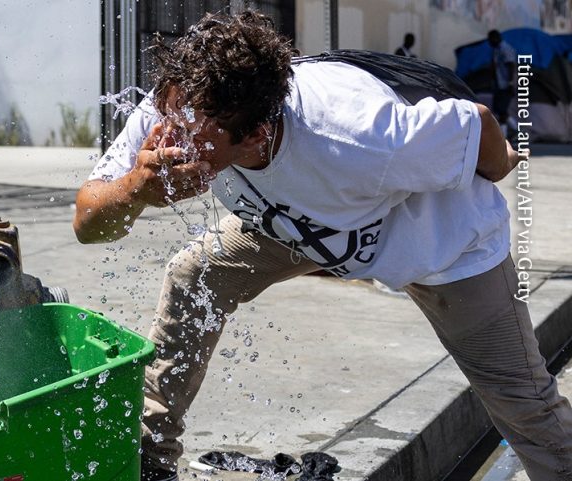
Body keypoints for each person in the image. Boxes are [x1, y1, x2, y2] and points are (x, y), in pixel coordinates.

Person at [74, 12, 571, 481]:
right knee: (195, 274)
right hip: (295, 225)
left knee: (524, 405)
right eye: (169, 116)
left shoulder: (357, 135)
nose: (170, 139)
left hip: (446, 248)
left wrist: (500, 165)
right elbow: (87, 222)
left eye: (193, 139)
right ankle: (151, 456)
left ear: (255, 139)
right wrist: (136, 187)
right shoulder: (182, 104)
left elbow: (477, 124)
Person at [487, 29, 516, 137]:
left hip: (505, 85)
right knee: (499, 109)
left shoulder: (505, 48)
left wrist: (510, 83)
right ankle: (515, 129)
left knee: (502, 110)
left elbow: (511, 65)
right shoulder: (496, 50)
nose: (489, 43)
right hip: (499, 84)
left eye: (490, 40)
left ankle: (503, 136)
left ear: (496, 38)